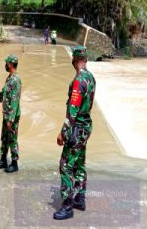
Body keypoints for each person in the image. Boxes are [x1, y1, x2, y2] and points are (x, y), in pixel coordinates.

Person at [53, 46, 96, 220]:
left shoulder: (79, 80)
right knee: (79, 163)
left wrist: (63, 132)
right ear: (85, 59)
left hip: (76, 129)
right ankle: (80, 198)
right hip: (86, 127)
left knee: (65, 166)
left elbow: (73, 109)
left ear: (75, 59)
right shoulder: (91, 77)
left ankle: (67, 206)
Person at [0, 54, 22, 173]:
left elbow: (15, 100)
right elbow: (5, 90)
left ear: (10, 64)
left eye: (6, 63)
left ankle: (14, 164)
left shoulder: (16, 80)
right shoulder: (9, 78)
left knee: (12, 138)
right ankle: (3, 160)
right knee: (4, 137)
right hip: (6, 114)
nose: (5, 65)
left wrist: (10, 119)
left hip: (12, 116)